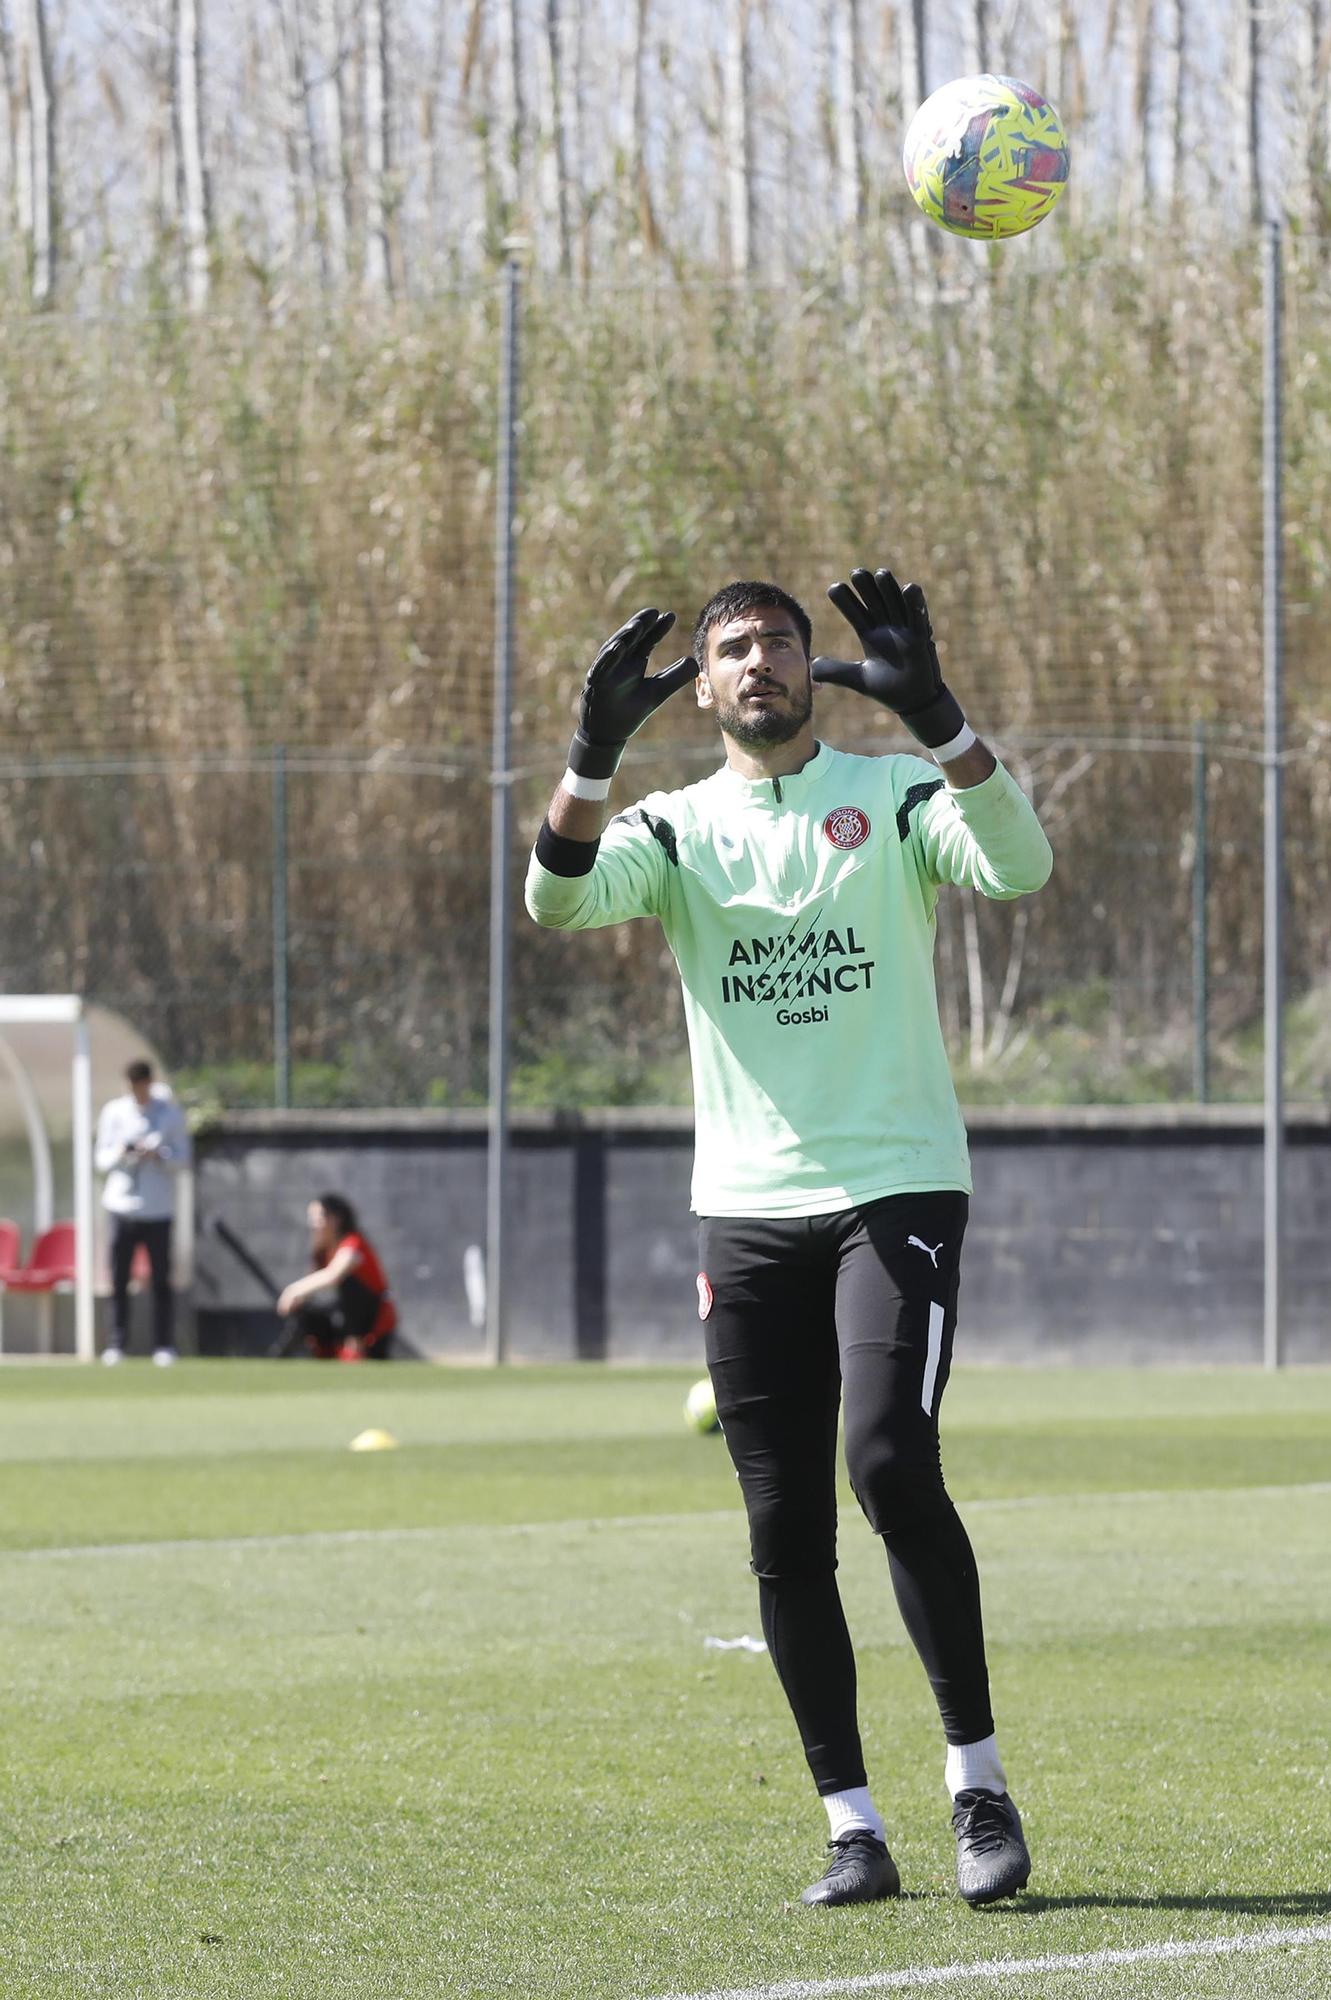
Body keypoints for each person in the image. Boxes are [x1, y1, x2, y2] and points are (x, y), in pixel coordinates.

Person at [525, 565, 1053, 1910]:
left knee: (884, 1456)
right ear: (697, 687)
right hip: (746, 1210)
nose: (755, 661)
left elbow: (1017, 864)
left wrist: (937, 714)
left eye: (776, 642)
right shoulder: (673, 826)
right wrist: (587, 756)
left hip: (893, 1190)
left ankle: (975, 1784)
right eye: (731, 647)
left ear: (813, 670)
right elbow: (557, 901)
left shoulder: (887, 798)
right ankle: (849, 1824)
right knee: (780, 1525)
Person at [94, 1059, 191, 1366]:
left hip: (158, 1209)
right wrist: (123, 1154)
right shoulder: (114, 1112)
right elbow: (101, 1160)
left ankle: (163, 1345)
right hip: (122, 1207)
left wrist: (158, 1155)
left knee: (161, 1280)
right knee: (119, 1279)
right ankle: (116, 1344)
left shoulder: (170, 1114)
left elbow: (184, 1159)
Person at [275, 1194, 396, 1360]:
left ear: (335, 1219)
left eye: (317, 1217)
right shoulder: (323, 1250)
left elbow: (333, 1275)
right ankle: (286, 1356)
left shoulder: (354, 1242)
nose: (312, 1223)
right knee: (306, 1311)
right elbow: (312, 1283)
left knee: (350, 1283)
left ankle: (356, 1348)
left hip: (374, 1322)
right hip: (343, 1316)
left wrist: (293, 1289)